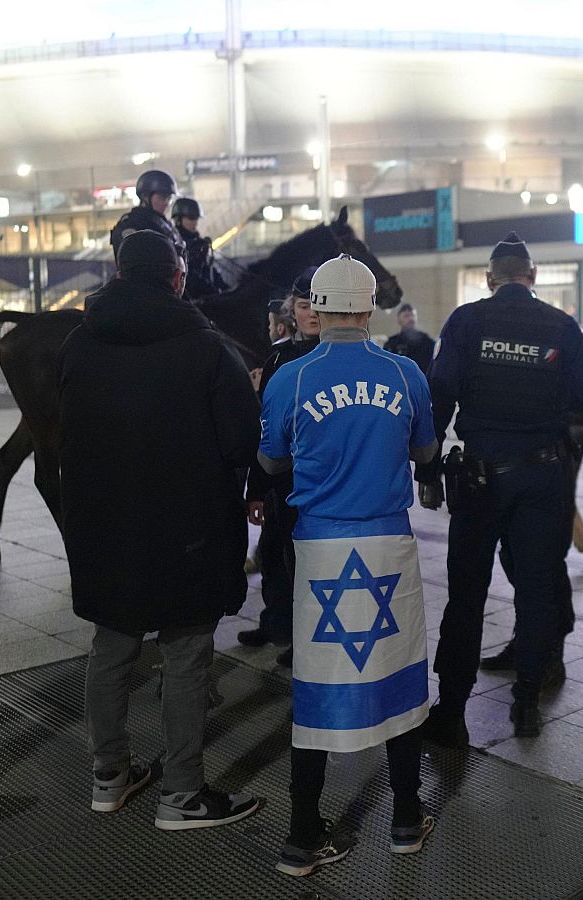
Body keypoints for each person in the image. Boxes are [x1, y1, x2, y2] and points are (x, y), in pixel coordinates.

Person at [59, 230, 265, 830]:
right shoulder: (206, 348)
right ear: (177, 278)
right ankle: (182, 796)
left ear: (119, 275)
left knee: (112, 650)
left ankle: (109, 776)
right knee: (185, 657)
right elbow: (242, 444)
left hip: (103, 526)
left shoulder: (79, 343)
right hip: (188, 529)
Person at [256, 254, 439, 876]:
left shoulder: (291, 378)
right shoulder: (405, 372)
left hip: (321, 547)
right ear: (367, 307)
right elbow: (425, 449)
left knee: (317, 685)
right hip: (388, 542)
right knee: (401, 676)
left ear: (317, 305)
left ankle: (303, 832)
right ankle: (407, 818)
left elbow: (273, 462)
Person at [418, 232, 583, 743]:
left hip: (480, 479)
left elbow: (438, 396)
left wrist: (424, 468)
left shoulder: (466, 321)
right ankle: (527, 704)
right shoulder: (561, 326)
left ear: (491, 280)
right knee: (535, 592)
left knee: (466, 595)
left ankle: (452, 712)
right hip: (542, 477)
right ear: (532, 278)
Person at [237, 266, 322, 666]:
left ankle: (301, 641)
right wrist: (256, 490)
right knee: (273, 557)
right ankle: (277, 624)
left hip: (317, 484)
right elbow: (265, 429)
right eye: (305, 305)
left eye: (318, 305)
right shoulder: (279, 357)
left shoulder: (337, 356)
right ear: (293, 309)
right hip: (280, 482)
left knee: (304, 567)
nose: (312, 314)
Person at [109, 169, 182, 262]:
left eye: (169, 198)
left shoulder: (166, 225)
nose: (166, 203)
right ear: (145, 196)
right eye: (162, 197)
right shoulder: (131, 224)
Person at [170, 196, 230, 300]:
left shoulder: (198, 242)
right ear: (178, 219)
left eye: (196, 218)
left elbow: (208, 268)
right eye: (191, 218)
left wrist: (224, 288)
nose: (195, 222)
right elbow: (190, 276)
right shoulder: (174, 243)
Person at [383, 303, 436, 375]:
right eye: (406, 316)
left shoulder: (426, 341)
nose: (411, 319)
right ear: (399, 319)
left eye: (413, 315)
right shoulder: (392, 344)